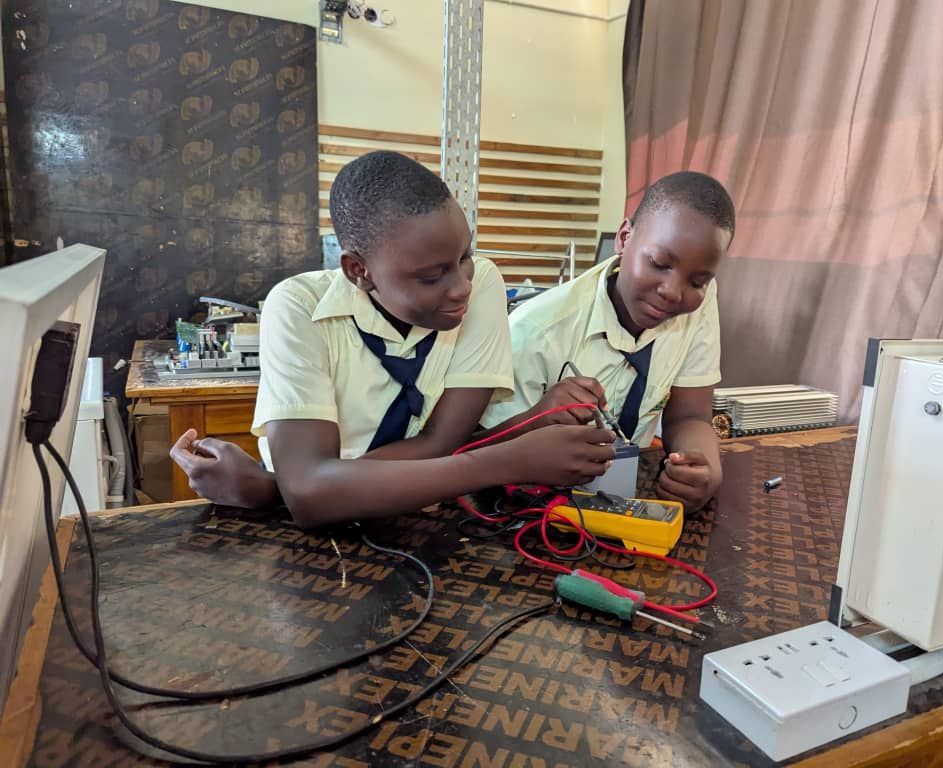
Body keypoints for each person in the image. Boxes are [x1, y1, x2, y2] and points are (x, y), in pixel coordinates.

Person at [170, 151, 613, 526]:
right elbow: (308, 497)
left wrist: (278, 488)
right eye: (431, 275)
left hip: (423, 523)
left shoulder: (482, 286)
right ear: (358, 270)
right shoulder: (297, 307)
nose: (460, 286)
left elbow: (443, 444)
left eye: (465, 257)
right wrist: (511, 459)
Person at [480, 171, 734, 510]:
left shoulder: (698, 305)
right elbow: (478, 455)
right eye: (659, 263)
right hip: (534, 509)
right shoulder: (536, 331)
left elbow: (690, 415)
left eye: (698, 281)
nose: (673, 292)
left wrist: (703, 469)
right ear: (625, 238)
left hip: (625, 502)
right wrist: (537, 421)